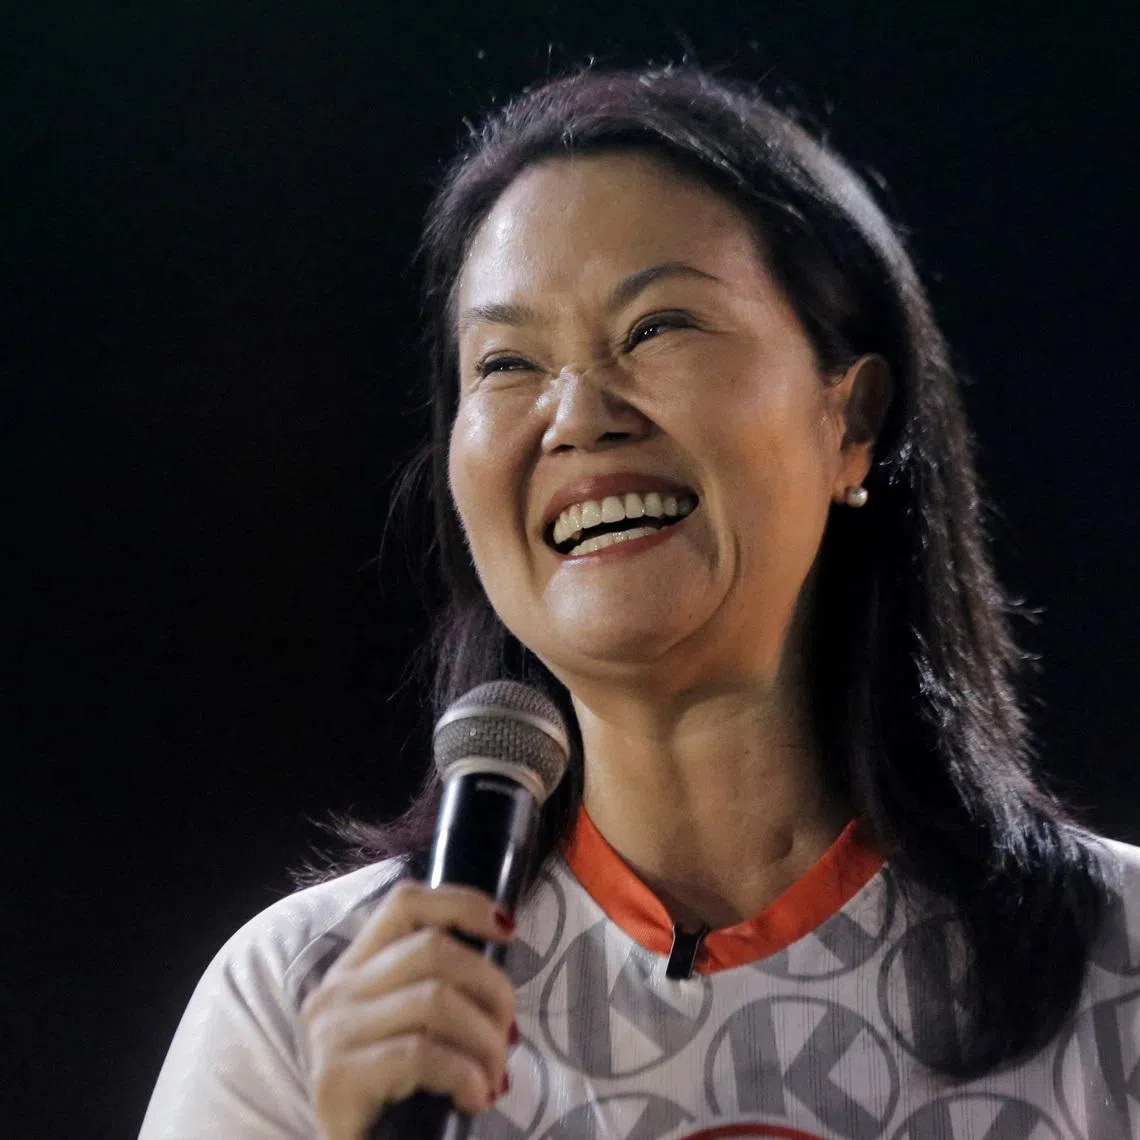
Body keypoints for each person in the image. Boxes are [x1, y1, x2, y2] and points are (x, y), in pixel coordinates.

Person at [139, 66, 1139, 1140]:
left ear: (851, 422)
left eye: (657, 326)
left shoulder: (1118, 963)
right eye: (507, 362)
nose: (577, 416)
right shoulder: (299, 1004)